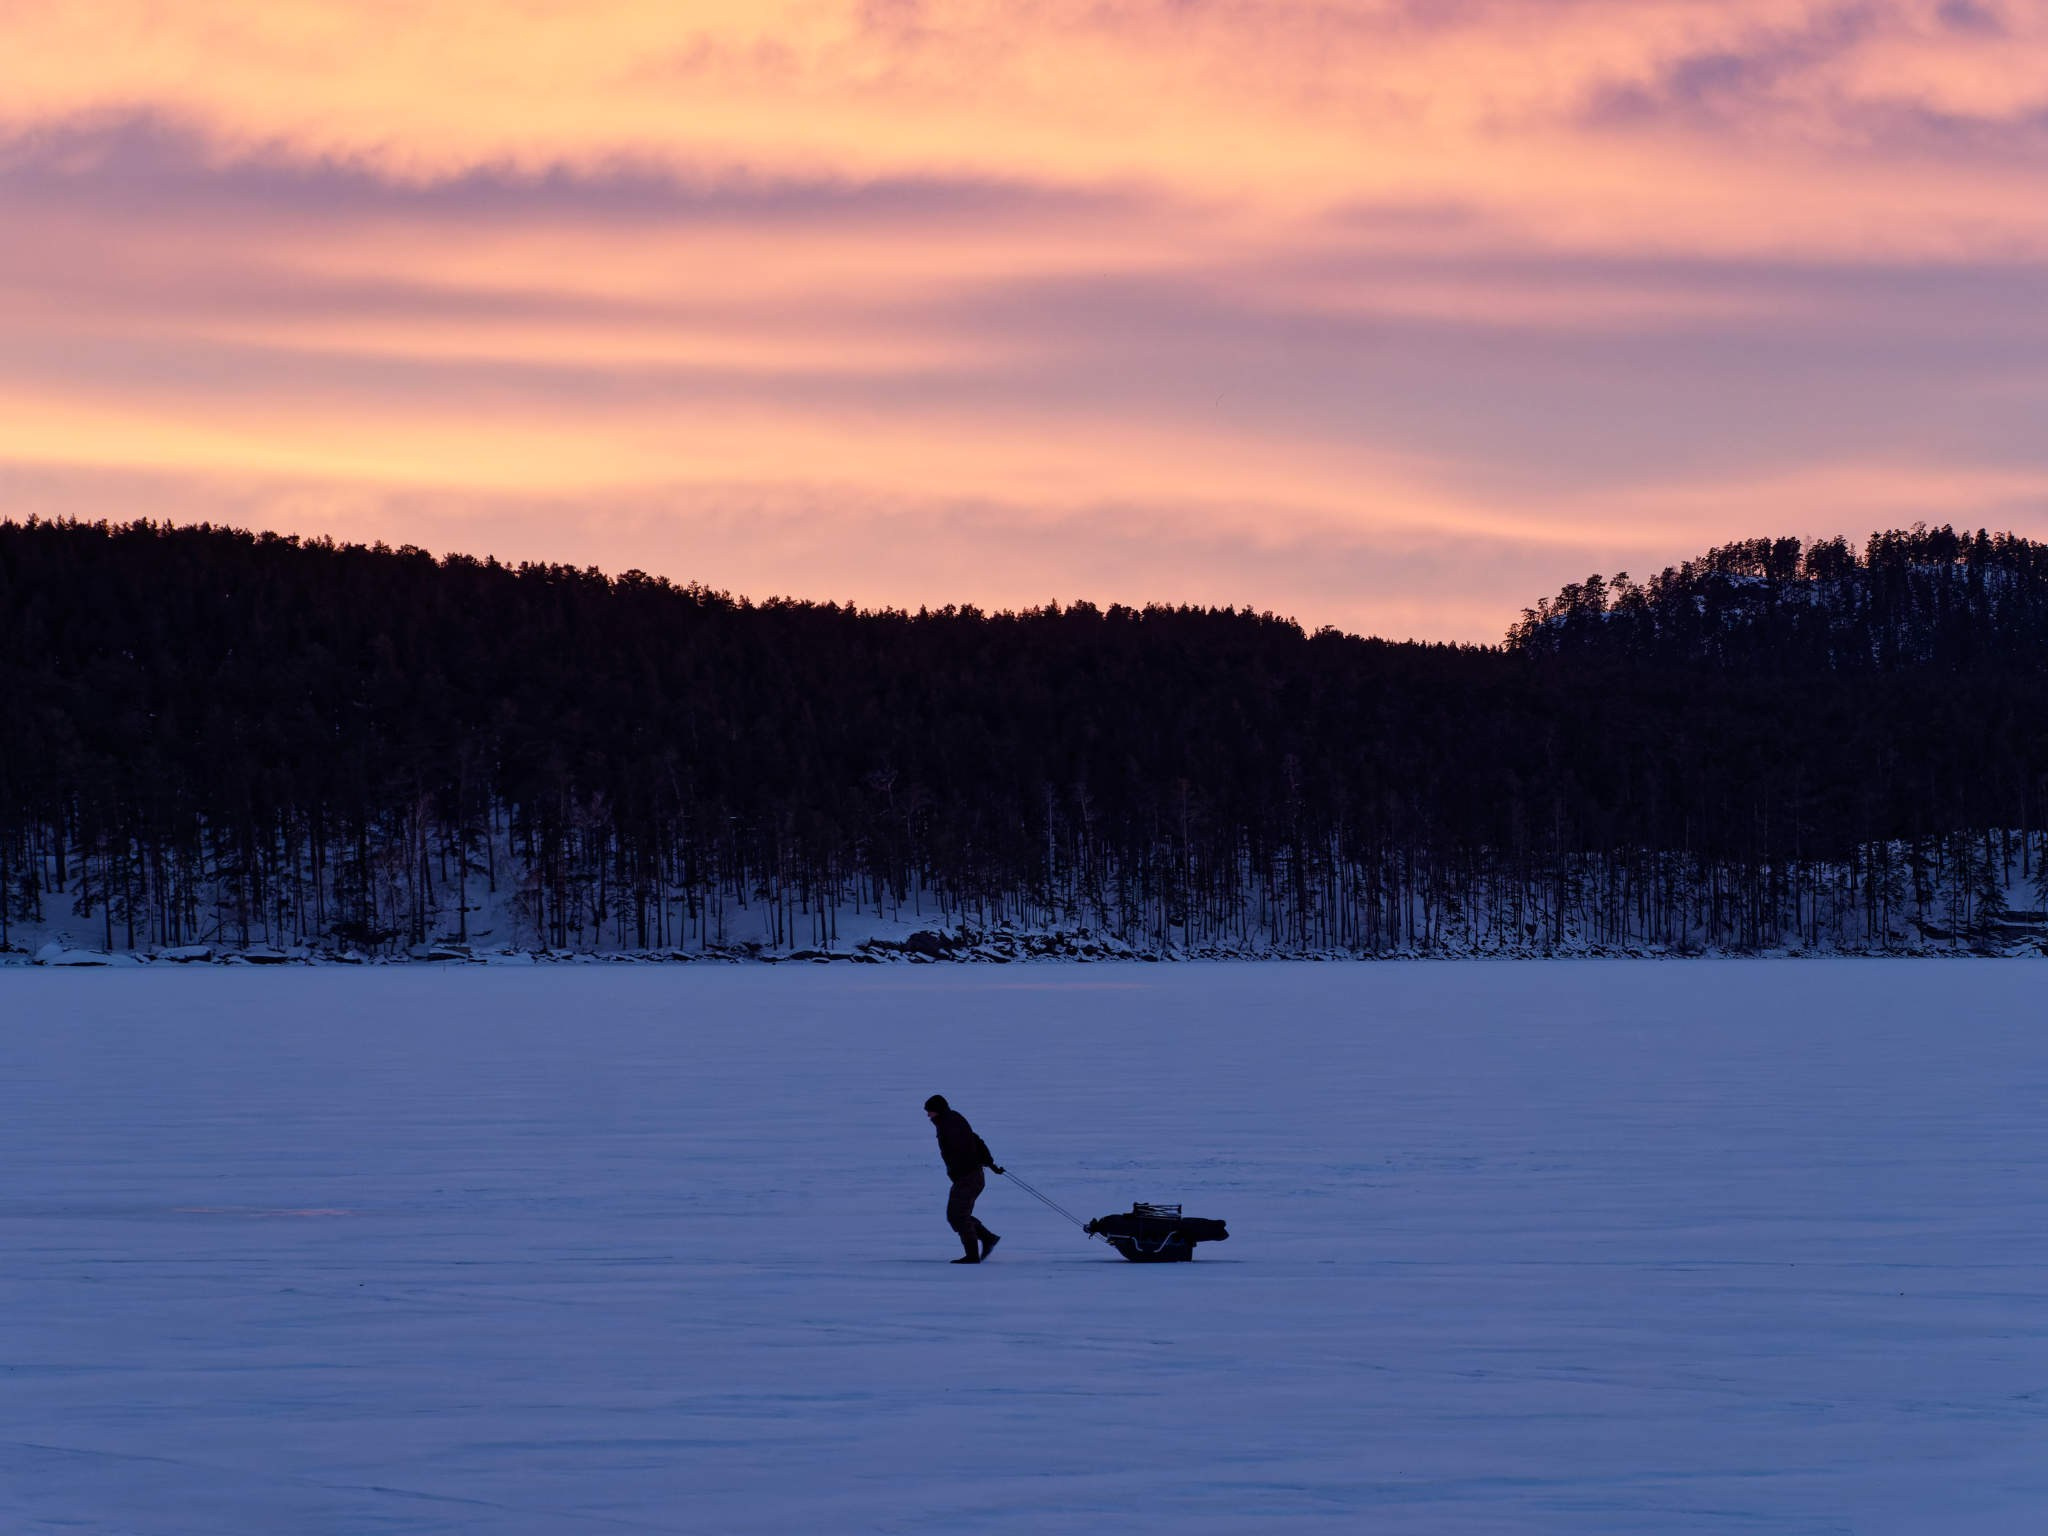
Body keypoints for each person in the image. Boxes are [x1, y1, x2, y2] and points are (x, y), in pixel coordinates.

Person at [924, 1094, 1003, 1263]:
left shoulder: (950, 1123)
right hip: (967, 1176)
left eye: (929, 1111)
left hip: (969, 1176)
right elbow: (976, 1140)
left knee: (958, 1215)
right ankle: (987, 1238)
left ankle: (973, 1255)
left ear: (937, 1110)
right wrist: (990, 1164)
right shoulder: (951, 1120)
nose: (928, 1115)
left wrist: (986, 1164)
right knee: (957, 1215)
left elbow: (972, 1143)